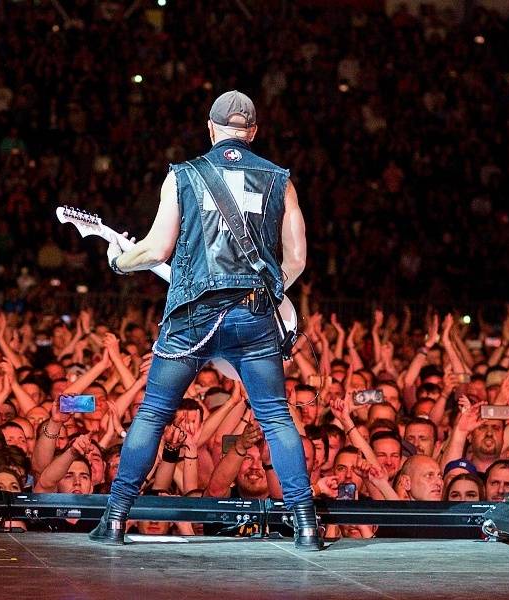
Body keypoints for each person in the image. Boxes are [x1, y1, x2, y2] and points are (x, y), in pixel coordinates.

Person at [90, 90, 320, 551]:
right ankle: (306, 525)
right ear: (253, 132)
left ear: (211, 128)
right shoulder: (280, 180)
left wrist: (118, 261)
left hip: (192, 316)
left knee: (154, 413)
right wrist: (269, 290)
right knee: (276, 417)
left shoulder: (184, 175)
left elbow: (156, 250)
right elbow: (296, 260)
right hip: (254, 313)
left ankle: (114, 519)